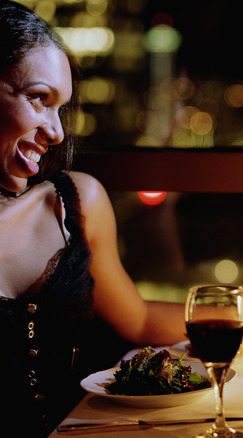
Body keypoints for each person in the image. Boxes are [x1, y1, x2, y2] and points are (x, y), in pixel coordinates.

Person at [0, 2, 187, 435]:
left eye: (60, 108)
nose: (57, 131)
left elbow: (137, 318)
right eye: (38, 99)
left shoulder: (74, 204)